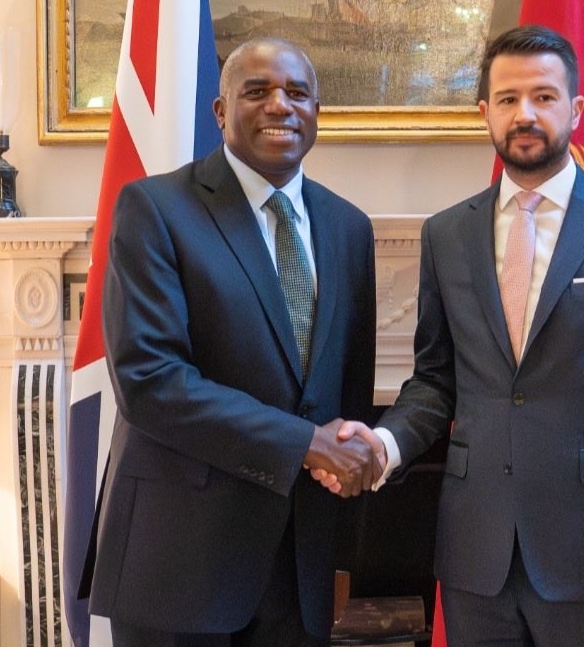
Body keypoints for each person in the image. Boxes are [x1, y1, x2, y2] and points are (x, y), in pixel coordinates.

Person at [319, 25, 584, 646]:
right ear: (486, 113)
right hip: (476, 562)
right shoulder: (447, 234)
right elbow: (435, 382)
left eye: (543, 97)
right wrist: (383, 446)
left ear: (575, 110)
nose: (524, 113)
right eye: (507, 99)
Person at [84, 37, 382, 647]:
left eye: (297, 93)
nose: (280, 106)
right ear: (221, 112)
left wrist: (340, 557)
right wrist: (305, 444)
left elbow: (347, 395)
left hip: (299, 570)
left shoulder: (349, 227)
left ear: (317, 111)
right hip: (179, 562)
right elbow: (150, 382)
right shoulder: (156, 208)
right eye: (257, 91)